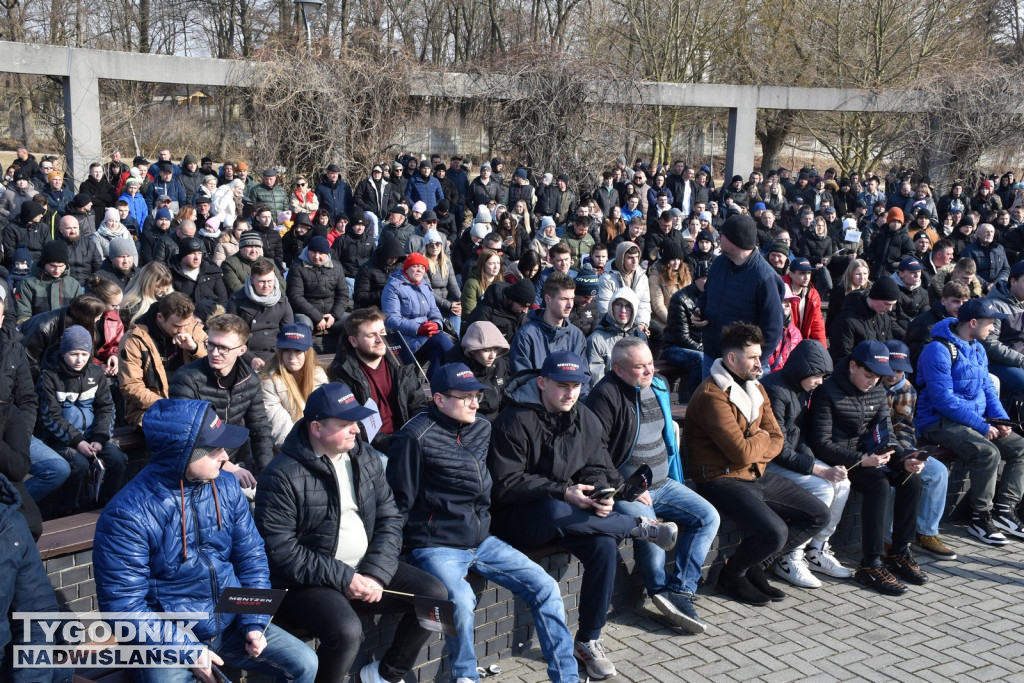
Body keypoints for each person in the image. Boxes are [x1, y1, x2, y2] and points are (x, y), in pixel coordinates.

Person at [93, 399, 318, 683]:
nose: (225, 456)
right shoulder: (128, 515)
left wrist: (254, 622)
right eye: (214, 450)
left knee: (305, 662)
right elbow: (124, 607)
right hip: (169, 635)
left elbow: (252, 558)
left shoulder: (225, 486)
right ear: (182, 454)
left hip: (231, 620)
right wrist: (188, 651)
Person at [386, 364, 581, 683]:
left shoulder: (481, 428)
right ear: (439, 399)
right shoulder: (413, 437)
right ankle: (465, 676)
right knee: (460, 601)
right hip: (435, 545)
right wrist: (399, 556)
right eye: (466, 398)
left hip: (482, 539)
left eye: (477, 395)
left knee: (545, 586)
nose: (476, 403)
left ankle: (566, 676)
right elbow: (398, 503)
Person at [489, 352, 677, 680]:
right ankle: (637, 526)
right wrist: (563, 491)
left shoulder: (585, 418)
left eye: (576, 386)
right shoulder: (513, 420)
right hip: (517, 519)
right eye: (563, 385)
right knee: (555, 506)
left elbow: (600, 467)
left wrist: (604, 497)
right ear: (542, 382)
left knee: (605, 546)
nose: (571, 393)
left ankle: (588, 640)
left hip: (572, 515)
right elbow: (507, 484)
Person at [253, 382, 443, 683]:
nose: (356, 429)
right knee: (347, 631)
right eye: (346, 424)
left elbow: (390, 518)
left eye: (356, 421)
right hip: (307, 584)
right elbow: (281, 551)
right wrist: (345, 578)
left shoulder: (364, 457)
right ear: (316, 428)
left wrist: (376, 574)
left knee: (435, 598)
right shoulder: (281, 474)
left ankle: (385, 675)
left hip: (365, 569)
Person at [684, 323, 829, 606]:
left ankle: (754, 567)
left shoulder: (756, 387)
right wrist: (759, 442)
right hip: (720, 479)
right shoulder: (712, 396)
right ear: (731, 359)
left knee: (818, 515)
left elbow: (776, 438)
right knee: (776, 531)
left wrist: (757, 444)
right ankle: (734, 574)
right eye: (752, 357)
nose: (759, 362)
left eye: (759, 355)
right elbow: (740, 452)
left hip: (754, 473)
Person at [586, 338, 720, 634]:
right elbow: (595, 451)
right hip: (627, 489)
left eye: (650, 363)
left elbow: (667, 437)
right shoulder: (604, 397)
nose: (649, 371)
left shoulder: (657, 385)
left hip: (664, 483)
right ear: (618, 369)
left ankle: (681, 590)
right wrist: (625, 487)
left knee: (708, 516)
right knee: (653, 530)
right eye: (640, 367)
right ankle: (660, 593)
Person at [807, 340, 927, 595]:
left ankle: (899, 552)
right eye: (868, 375)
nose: (873, 381)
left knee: (911, 478)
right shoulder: (827, 392)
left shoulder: (878, 391)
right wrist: (862, 460)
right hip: (839, 459)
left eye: (878, 377)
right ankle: (870, 563)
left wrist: (904, 458)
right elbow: (821, 444)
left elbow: (886, 436)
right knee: (879, 484)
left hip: (868, 456)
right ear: (852, 366)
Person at [916, 298, 1024, 546]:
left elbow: (986, 388)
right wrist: (982, 426)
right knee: (987, 453)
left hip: (970, 420)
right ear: (973, 323)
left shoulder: (977, 347)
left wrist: (1000, 421)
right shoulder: (938, 349)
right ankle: (980, 517)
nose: (993, 329)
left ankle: (1005, 511)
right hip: (938, 422)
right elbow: (943, 400)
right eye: (990, 323)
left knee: (1019, 447)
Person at [761, 340, 852, 586]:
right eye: (818, 375)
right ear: (803, 369)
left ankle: (817, 549)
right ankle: (791, 556)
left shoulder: (801, 389)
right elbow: (777, 447)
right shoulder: (774, 390)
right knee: (822, 487)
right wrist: (818, 470)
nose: (821, 382)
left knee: (842, 484)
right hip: (767, 462)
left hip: (788, 457)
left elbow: (798, 435)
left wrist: (814, 463)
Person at [169, 313, 274, 480]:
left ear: (242, 350)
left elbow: (260, 429)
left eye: (223, 348)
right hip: (195, 466)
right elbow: (184, 437)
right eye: (210, 344)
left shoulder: (250, 380)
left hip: (232, 459)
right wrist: (226, 465)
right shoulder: (187, 378)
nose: (214, 352)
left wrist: (268, 473)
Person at [37, 325, 128, 508]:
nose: (80, 360)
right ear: (63, 353)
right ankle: (69, 509)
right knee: (78, 465)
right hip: (61, 439)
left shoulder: (95, 373)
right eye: (74, 354)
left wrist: (100, 438)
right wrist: (77, 441)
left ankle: (107, 504)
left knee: (117, 461)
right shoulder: (49, 376)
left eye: (84, 354)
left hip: (94, 435)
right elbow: (50, 416)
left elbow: (106, 407)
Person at [881, 340, 955, 560]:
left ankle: (926, 533)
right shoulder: (871, 386)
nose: (893, 375)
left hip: (901, 447)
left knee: (938, 472)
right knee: (897, 480)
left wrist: (908, 452)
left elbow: (904, 426)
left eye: (899, 370)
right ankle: (887, 539)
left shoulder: (907, 388)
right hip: (876, 450)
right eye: (890, 369)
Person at [694, 213, 783, 377]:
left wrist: (753, 362)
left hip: (742, 366)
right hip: (712, 356)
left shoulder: (765, 278)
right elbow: (706, 295)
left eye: (723, 235)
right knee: (711, 403)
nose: (719, 237)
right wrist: (698, 311)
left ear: (736, 240)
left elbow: (773, 330)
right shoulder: (719, 263)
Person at [329, 307, 429, 451]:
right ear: (353, 341)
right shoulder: (342, 371)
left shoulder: (400, 360)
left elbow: (418, 405)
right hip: (370, 447)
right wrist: (392, 445)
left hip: (409, 438)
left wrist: (413, 437)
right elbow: (353, 422)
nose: (380, 340)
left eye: (382, 332)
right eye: (371, 335)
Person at [119, 292, 208, 428]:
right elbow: (131, 386)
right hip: (151, 409)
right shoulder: (134, 339)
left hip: (192, 403)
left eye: (187, 324)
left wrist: (194, 349)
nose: (182, 331)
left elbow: (214, 365)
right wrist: (170, 406)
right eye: (177, 326)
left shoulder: (193, 330)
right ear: (160, 317)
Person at [509, 273, 589, 391]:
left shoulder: (576, 336)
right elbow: (522, 382)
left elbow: (584, 379)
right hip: (536, 406)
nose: (570, 305)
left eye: (572, 298)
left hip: (571, 404)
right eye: (564, 299)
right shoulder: (526, 336)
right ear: (548, 299)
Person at [260, 323, 328, 450]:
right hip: (291, 448)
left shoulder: (318, 375)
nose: (292, 357)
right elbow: (280, 425)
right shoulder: (269, 381)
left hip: (320, 444)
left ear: (307, 353)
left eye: (298, 351)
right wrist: (301, 451)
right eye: (286, 350)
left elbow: (326, 418)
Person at [382, 252, 454, 372]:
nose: (419, 270)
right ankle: (461, 374)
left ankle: (439, 387)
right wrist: (418, 329)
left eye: (422, 267)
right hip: (405, 337)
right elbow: (390, 319)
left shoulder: (425, 286)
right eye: (415, 266)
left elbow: (434, 312)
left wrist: (436, 324)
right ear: (407, 268)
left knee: (438, 355)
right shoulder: (393, 287)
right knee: (442, 340)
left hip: (427, 335)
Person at [286, 235, 351, 354]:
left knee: (356, 322)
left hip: (331, 313)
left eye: (321, 253)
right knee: (303, 326)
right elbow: (296, 297)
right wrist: (317, 317)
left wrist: (335, 315)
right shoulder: (297, 267)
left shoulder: (336, 266)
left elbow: (343, 293)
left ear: (327, 253)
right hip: (306, 313)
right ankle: (305, 358)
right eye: (313, 252)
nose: (316, 256)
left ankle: (349, 357)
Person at [227, 257, 294, 369]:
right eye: (262, 282)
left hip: (274, 354)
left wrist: (280, 356)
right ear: (252, 279)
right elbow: (231, 335)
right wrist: (249, 358)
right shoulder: (237, 300)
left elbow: (288, 332)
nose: (266, 286)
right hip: (244, 354)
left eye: (270, 281)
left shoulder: (282, 301)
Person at [444, 320, 510, 420]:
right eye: (486, 350)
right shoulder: (456, 370)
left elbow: (506, 396)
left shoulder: (499, 364)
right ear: (472, 350)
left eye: (495, 349)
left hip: (498, 420)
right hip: (472, 423)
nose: (492, 356)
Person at [586, 287, 647, 387]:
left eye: (628, 306)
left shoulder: (640, 336)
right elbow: (597, 382)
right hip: (609, 397)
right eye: (618, 304)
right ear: (611, 307)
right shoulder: (596, 340)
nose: (623, 310)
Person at [827, 276, 898, 361]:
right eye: (887, 304)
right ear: (874, 297)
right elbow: (842, 357)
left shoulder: (884, 317)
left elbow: (888, 346)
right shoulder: (846, 321)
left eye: (893, 304)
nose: (890, 309)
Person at [15, 240, 82, 324]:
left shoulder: (73, 285)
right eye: (53, 266)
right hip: (36, 332)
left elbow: (79, 314)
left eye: (61, 266)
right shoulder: (27, 284)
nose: (57, 270)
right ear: (44, 263)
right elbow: (23, 316)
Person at [169, 237, 229, 320]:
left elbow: (223, 299)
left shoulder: (212, 270)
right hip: (184, 319)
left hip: (212, 319)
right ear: (182, 255)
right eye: (192, 253)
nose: (197, 257)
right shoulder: (171, 274)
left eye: (199, 253)